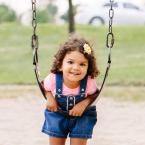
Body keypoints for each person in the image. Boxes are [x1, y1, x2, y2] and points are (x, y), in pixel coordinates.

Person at [42, 35, 100, 145]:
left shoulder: (89, 82)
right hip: (57, 115)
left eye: (82, 64)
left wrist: (83, 104)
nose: (76, 68)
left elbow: (95, 94)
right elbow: (44, 86)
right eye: (70, 62)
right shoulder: (53, 79)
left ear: (88, 67)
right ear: (60, 64)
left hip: (82, 117)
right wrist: (49, 98)